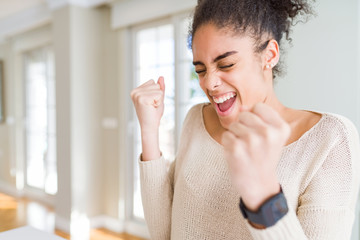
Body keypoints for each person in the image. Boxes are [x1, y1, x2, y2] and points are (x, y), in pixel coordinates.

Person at [130, 0, 360, 239]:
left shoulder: (329, 141)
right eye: (200, 70)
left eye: (226, 64)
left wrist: (263, 194)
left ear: (269, 55)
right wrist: (149, 129)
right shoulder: (196, 120)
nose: (209, 83)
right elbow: (163, 233)